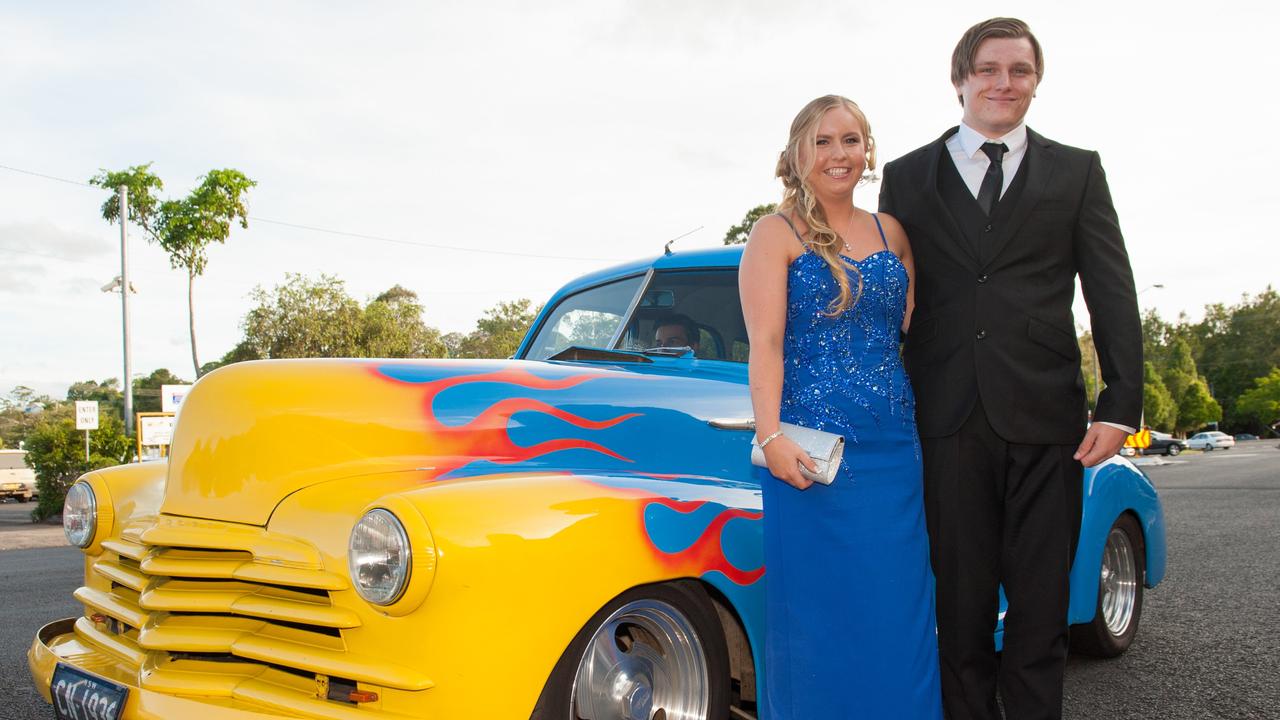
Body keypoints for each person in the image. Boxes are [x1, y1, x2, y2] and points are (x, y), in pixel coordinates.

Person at [878, 17, 1143, 720]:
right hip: (946, 415)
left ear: (1035, 82)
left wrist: (1120, 401)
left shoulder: (1078, 169)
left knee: (1039, 606)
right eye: (989, 68)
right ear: (960, 78)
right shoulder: (906, 177)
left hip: (1046, 416)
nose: (1004, 82)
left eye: (1019, 70)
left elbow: (1111, 288)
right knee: (959, 609)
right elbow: (892, 294)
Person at [740, 95, 942, 719]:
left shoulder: (892, 233)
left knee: (899, 610)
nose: (838, 154)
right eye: (823, 141)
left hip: (894, 455)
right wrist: (770, 437)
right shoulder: (773, 235)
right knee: (820, 617)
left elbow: (907, 332)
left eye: (850, 140)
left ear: (868, 151)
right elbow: (766, 346)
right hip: (812, 458)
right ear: (799, 153)